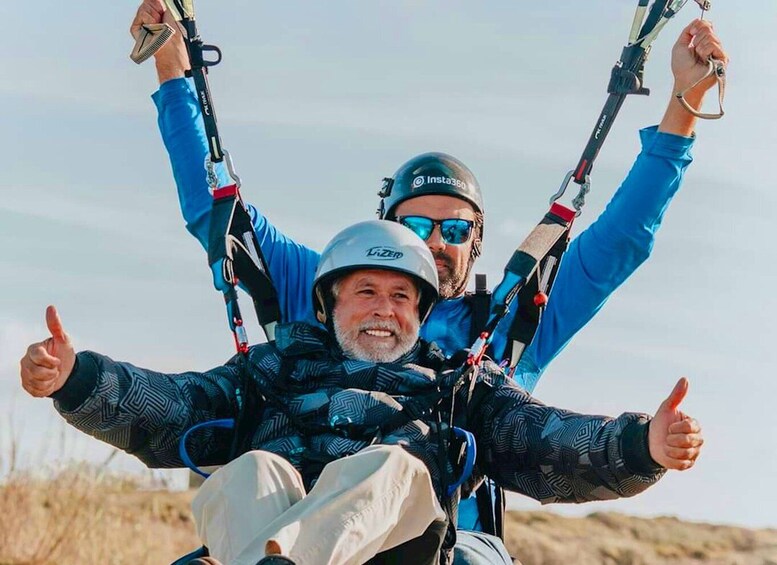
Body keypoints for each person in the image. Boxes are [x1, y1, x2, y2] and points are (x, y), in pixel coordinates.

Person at [131, 2, 727, 561]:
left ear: (478, 240)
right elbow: (217, 213)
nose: (437, 240)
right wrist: (170, 65)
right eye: (417, 223)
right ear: (382, 232)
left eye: (456, 228)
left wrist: (684, 107)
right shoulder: (325, 295)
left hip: (445, 543)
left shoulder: (506, 324)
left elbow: (619, 241)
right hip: (295, 526)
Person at [20, 221, 703, 565]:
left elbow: (542, 438)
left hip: (399, 553)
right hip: (266, 517)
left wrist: (640, 443)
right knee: (252, 468)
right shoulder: (273, 366)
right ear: (330, 303)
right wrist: (77, 377)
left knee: (396, 466)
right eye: (365, 291)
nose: (384, 307)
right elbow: (173, 404)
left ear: (419, 309)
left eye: (401, 295)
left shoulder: (456, 382)